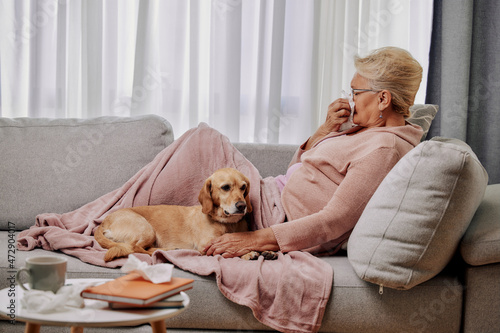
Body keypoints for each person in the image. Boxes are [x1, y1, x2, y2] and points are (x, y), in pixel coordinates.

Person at [204, 46, 424, 258]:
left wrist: (252, 240)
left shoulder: (384, 149)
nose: (350, 99)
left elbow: (335, 219)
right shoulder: (366, 128)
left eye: (356, 92)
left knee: (204, 141)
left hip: (272, 213)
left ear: (383, 99)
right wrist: (326, 129)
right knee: (203, 139)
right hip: (268, 195)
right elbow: (295, 169)